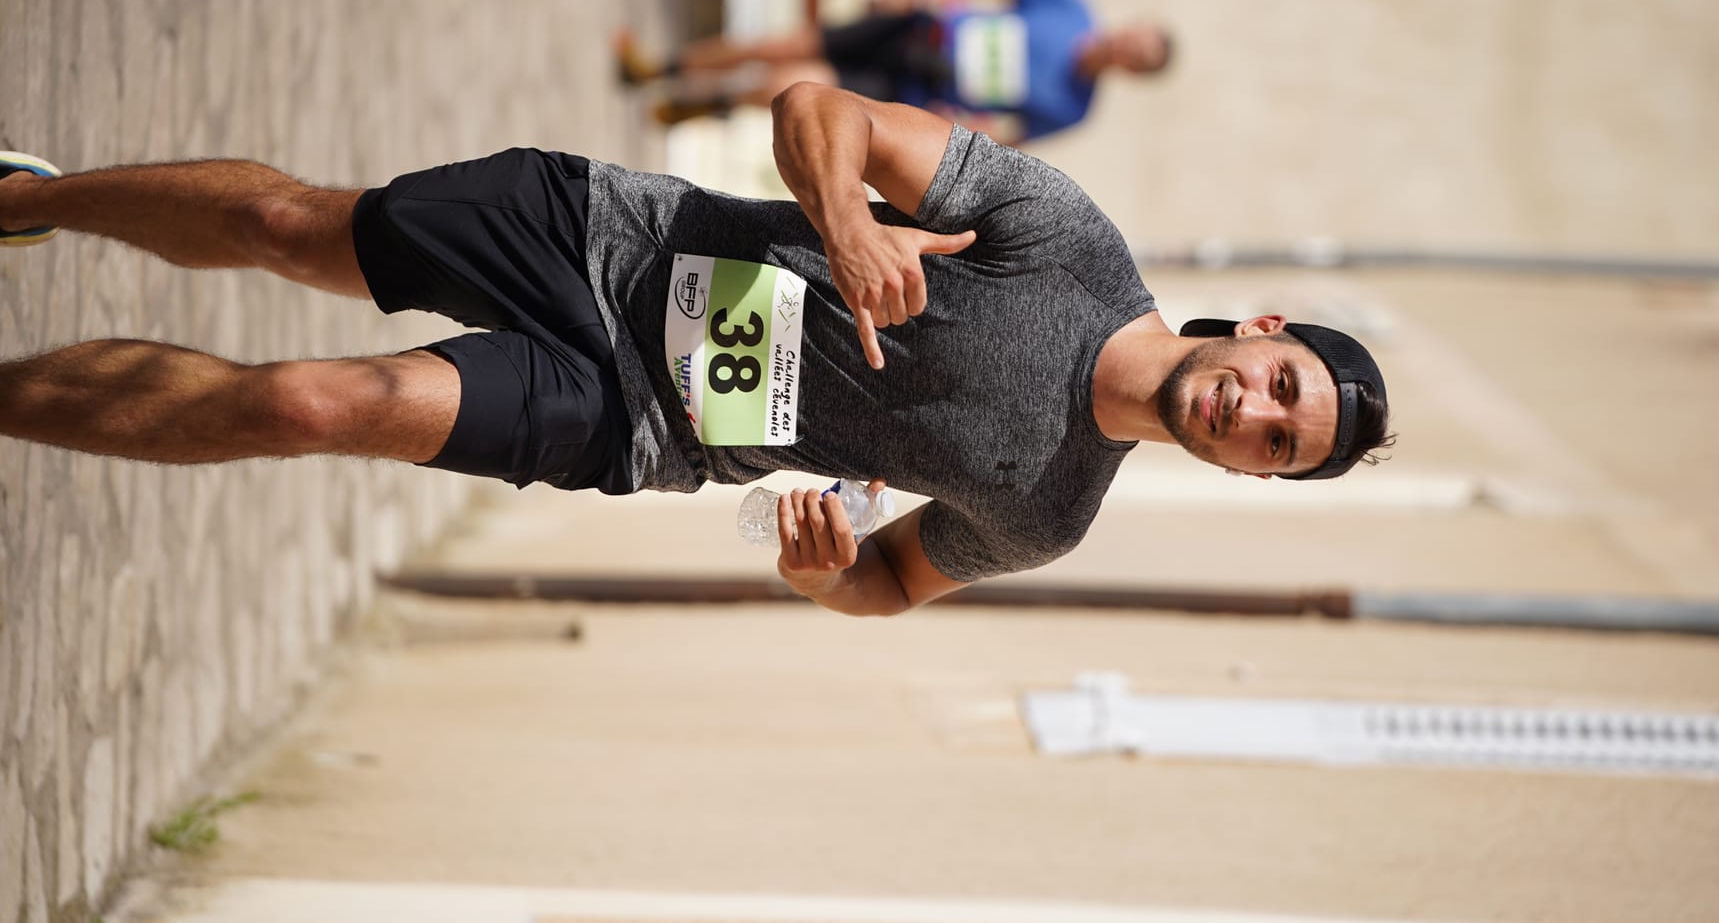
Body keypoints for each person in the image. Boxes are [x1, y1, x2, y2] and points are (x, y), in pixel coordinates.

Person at [0, 86, 1390, 615]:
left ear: (1256, 474)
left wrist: (819, 573)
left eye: (1280, 440)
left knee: (312, 401)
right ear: (1262, 330)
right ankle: (31, 200)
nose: (1254, 413)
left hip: (636, 417)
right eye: (1283, 385)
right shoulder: (1068, 241)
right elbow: (817, 109)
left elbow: (894, 583)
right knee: (288, 223)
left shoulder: (1046, 513)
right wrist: (845, 222)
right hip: (608, 236)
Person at [619, 0, 1172, 144]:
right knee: (777, 45)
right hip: (915, 31)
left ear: (1133, 73)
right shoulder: (1071, 8)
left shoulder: (1074, 107)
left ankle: (706, 103)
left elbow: (1002, 140)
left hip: (911, 90)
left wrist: (943, 127)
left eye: (1138, 58)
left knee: (786, 83)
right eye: (1136, 38)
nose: (1126, 48)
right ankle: (661, 67)